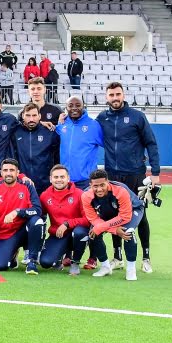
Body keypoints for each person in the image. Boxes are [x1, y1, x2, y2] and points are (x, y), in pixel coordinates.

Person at [96, 81, 160, 273]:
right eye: (111, 95)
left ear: (123, 95)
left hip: (135, 174)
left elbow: (151, 143)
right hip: (112, 175)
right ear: (106, 97)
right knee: (115, 214)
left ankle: (146, 257)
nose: (115, 98)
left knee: (140, 215)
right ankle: (118, 256)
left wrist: (155, 173)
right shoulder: (102, 118)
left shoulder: (137, 117)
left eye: (118, 94)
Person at [0, 158, 45, 274]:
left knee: (36, 221)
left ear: (18, 173)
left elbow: (37, 210)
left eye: (12, 170)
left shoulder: (27, 186)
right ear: (1, 172)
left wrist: (18, 212)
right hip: (5, 234)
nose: (8, 173)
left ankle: (32, 261)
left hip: (24, 230)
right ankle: (11, 253)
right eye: (5, 170)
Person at [82, 170, 144, 281]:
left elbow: (125, 217)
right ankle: (105, 267)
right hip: (110, 213)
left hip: (132, 210)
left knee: (127, 231)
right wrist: (115, 230)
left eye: (102, 185)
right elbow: (93, 218)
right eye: (95, 186)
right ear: (90, 185)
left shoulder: (120, 190)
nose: (99, 189)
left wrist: (104, 227)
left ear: (108, 182)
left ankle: (131, 269)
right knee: (93, 233)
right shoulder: (86, 196)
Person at [39, 164, 92, 275]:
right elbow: (40, 215)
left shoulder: (80, 194)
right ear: (50, 179)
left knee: (79, 233)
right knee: (45, 262)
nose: (59, 180)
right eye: (56, 177)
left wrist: (67, 224)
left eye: (62, 177)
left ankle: (75, 262)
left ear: (68, 178)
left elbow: (87, 220)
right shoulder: (44, 196)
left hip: (76, 232)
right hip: (58, 234)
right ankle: (58, 258)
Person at [12, 102, 60, 192]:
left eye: (34, 115)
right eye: (28, 115)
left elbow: (57, 157)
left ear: (39, 116)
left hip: (45, 184)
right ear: (22, 116)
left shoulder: (49, 132)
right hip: (22, 182)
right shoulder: (15, 132)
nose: (31, 119)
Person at [57, 95, 103, 190]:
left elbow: (108, 145)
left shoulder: (93, 125)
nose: (74, 108)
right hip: (66, 181)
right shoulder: (62, 125)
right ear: (66, 108)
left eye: (78, 105)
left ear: (83, 107)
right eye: (71, 105)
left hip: (86, 181)